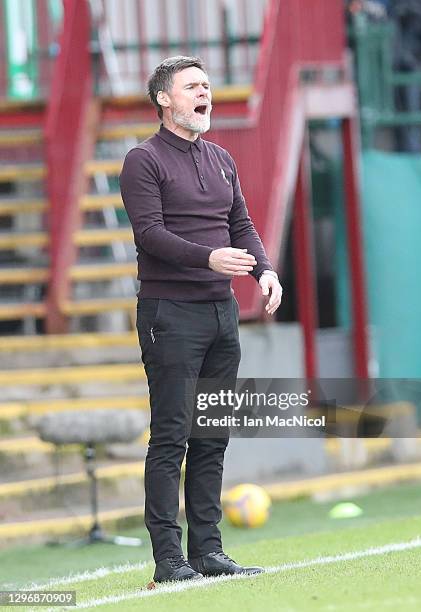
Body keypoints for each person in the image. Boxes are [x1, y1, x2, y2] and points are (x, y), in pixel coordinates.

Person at [119, 55, 282, 584]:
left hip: (221, 313)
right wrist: (208, 258)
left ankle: (208, 551)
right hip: (170, 313)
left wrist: (265, 271)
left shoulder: (221, 158)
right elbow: (149, 235)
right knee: (171, 435)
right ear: (164, 99)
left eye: (206, 85)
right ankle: (169, 560)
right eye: (192, 86)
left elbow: (241, 223)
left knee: (211, 434)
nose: (203, 92)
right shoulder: (142, 161)